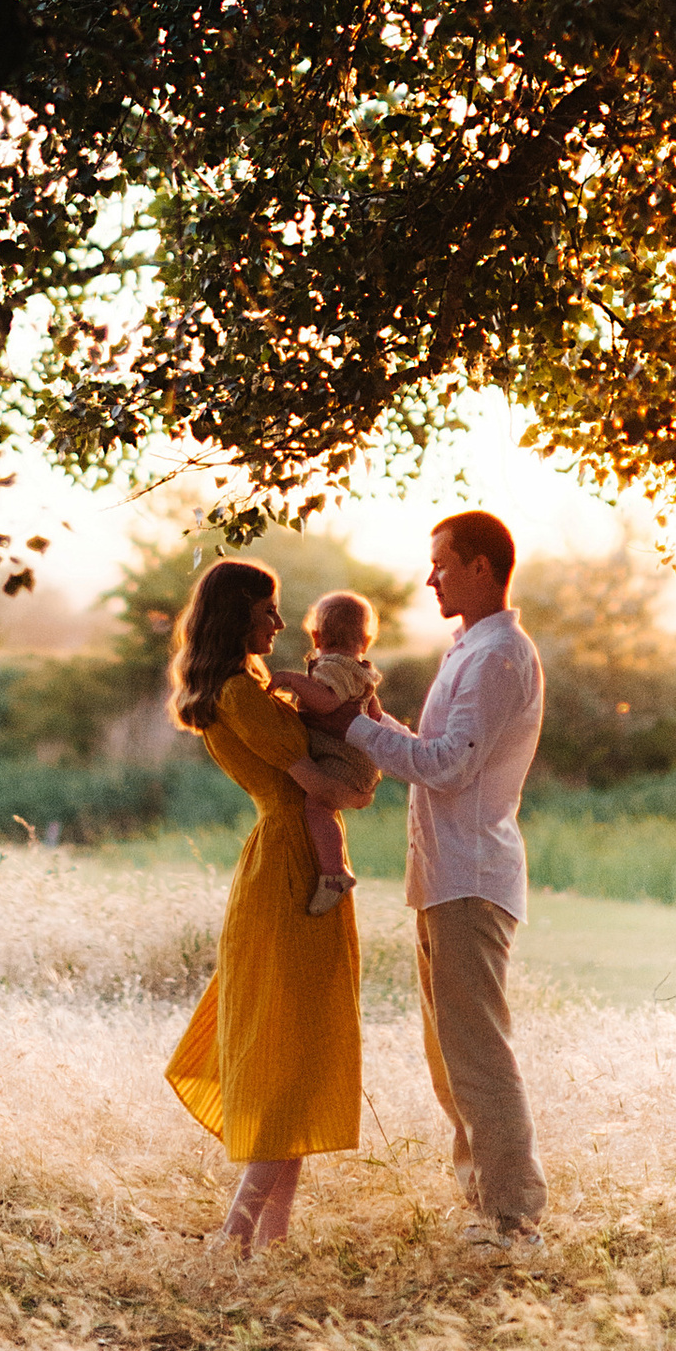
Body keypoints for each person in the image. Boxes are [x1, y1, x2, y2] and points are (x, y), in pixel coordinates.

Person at [344, 509, 549, 1252]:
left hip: (470, 877)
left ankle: (513, 1217)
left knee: (476, 1052)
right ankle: (488, 1206)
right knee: (450, 1057)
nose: (429, 576)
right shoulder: (470, 650)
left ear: (484, 567)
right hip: (443, 877)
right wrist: (370, 717)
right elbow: (436, 749)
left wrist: (351, 730)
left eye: (442, 562)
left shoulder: (498, 658)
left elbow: (450, 767)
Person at [162, 558, 375, 1251]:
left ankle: (271, 1239)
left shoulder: (248, 686)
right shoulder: (241, 694)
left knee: (302, 1047)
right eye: (268, 611)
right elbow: (324, 784)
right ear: (238, 617)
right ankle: (236, 1230)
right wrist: (364, 783)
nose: (281, 625)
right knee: (288, 1052)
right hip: (290, 858)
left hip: (291, 852)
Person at [268, 587, 386, 917]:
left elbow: (327, 701)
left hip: (345, 765)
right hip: (359, 764)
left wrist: (293, 680)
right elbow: (374, 715)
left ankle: (334, 874)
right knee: (324, 810)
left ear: (317, 635)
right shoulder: (359, 669)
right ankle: (334, 867)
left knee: (317, 806)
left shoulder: (331, 666)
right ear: (365, 640)